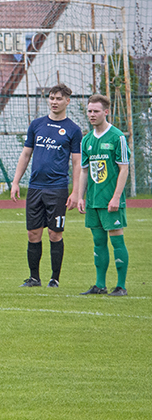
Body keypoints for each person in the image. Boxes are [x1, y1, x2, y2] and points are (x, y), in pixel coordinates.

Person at [10, 83, 82, 288]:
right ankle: (34, 278)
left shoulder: (73, 130)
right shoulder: (37, 125)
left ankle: (54, 279)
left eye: (58, 99)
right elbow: (26, 154)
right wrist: (15, 182)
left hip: (57, 188)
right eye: (51, 98)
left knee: (54, 233)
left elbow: (77, 162)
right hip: (35, 187)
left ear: (67, 101)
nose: (54, 102)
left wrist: (76, 192)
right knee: (33, 233)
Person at [77, 94, 131, 296]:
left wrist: (116, 197)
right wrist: (80, 197)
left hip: (111, 200)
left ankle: (121, 286)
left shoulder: (117, 137)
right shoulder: (86, 140)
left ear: (106, 112)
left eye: (96, 111)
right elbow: (84, 171)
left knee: (117, 240)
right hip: (93, 200)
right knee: (98, 242)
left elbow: (124, 169)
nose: (92, 114)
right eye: (89, 111)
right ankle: (100, 285)